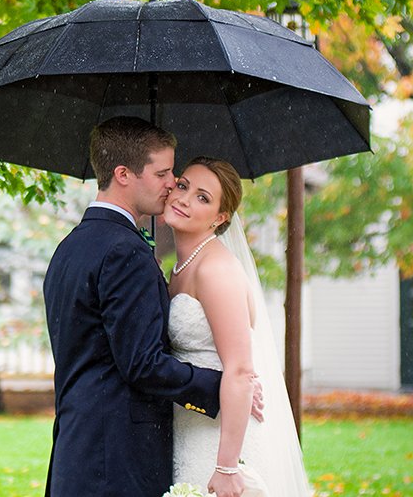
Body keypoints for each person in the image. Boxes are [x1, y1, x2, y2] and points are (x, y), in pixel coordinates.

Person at [43, 116, 228, 497]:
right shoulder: (124, 251)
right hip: (117, 462)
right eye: (162, 172)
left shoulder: (69, 248)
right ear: (124, 174)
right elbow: (142, 364)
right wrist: (218, 386)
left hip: (78, 451)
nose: (172, 183)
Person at [164, 156, 312, 497]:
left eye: (203, 197)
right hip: (193, 421)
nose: (184, 198)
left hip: (220, 439)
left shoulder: (216, 270)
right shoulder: (182, 265)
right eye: (183, 186)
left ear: (219, 218)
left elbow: (241, 370)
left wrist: (227, 466)